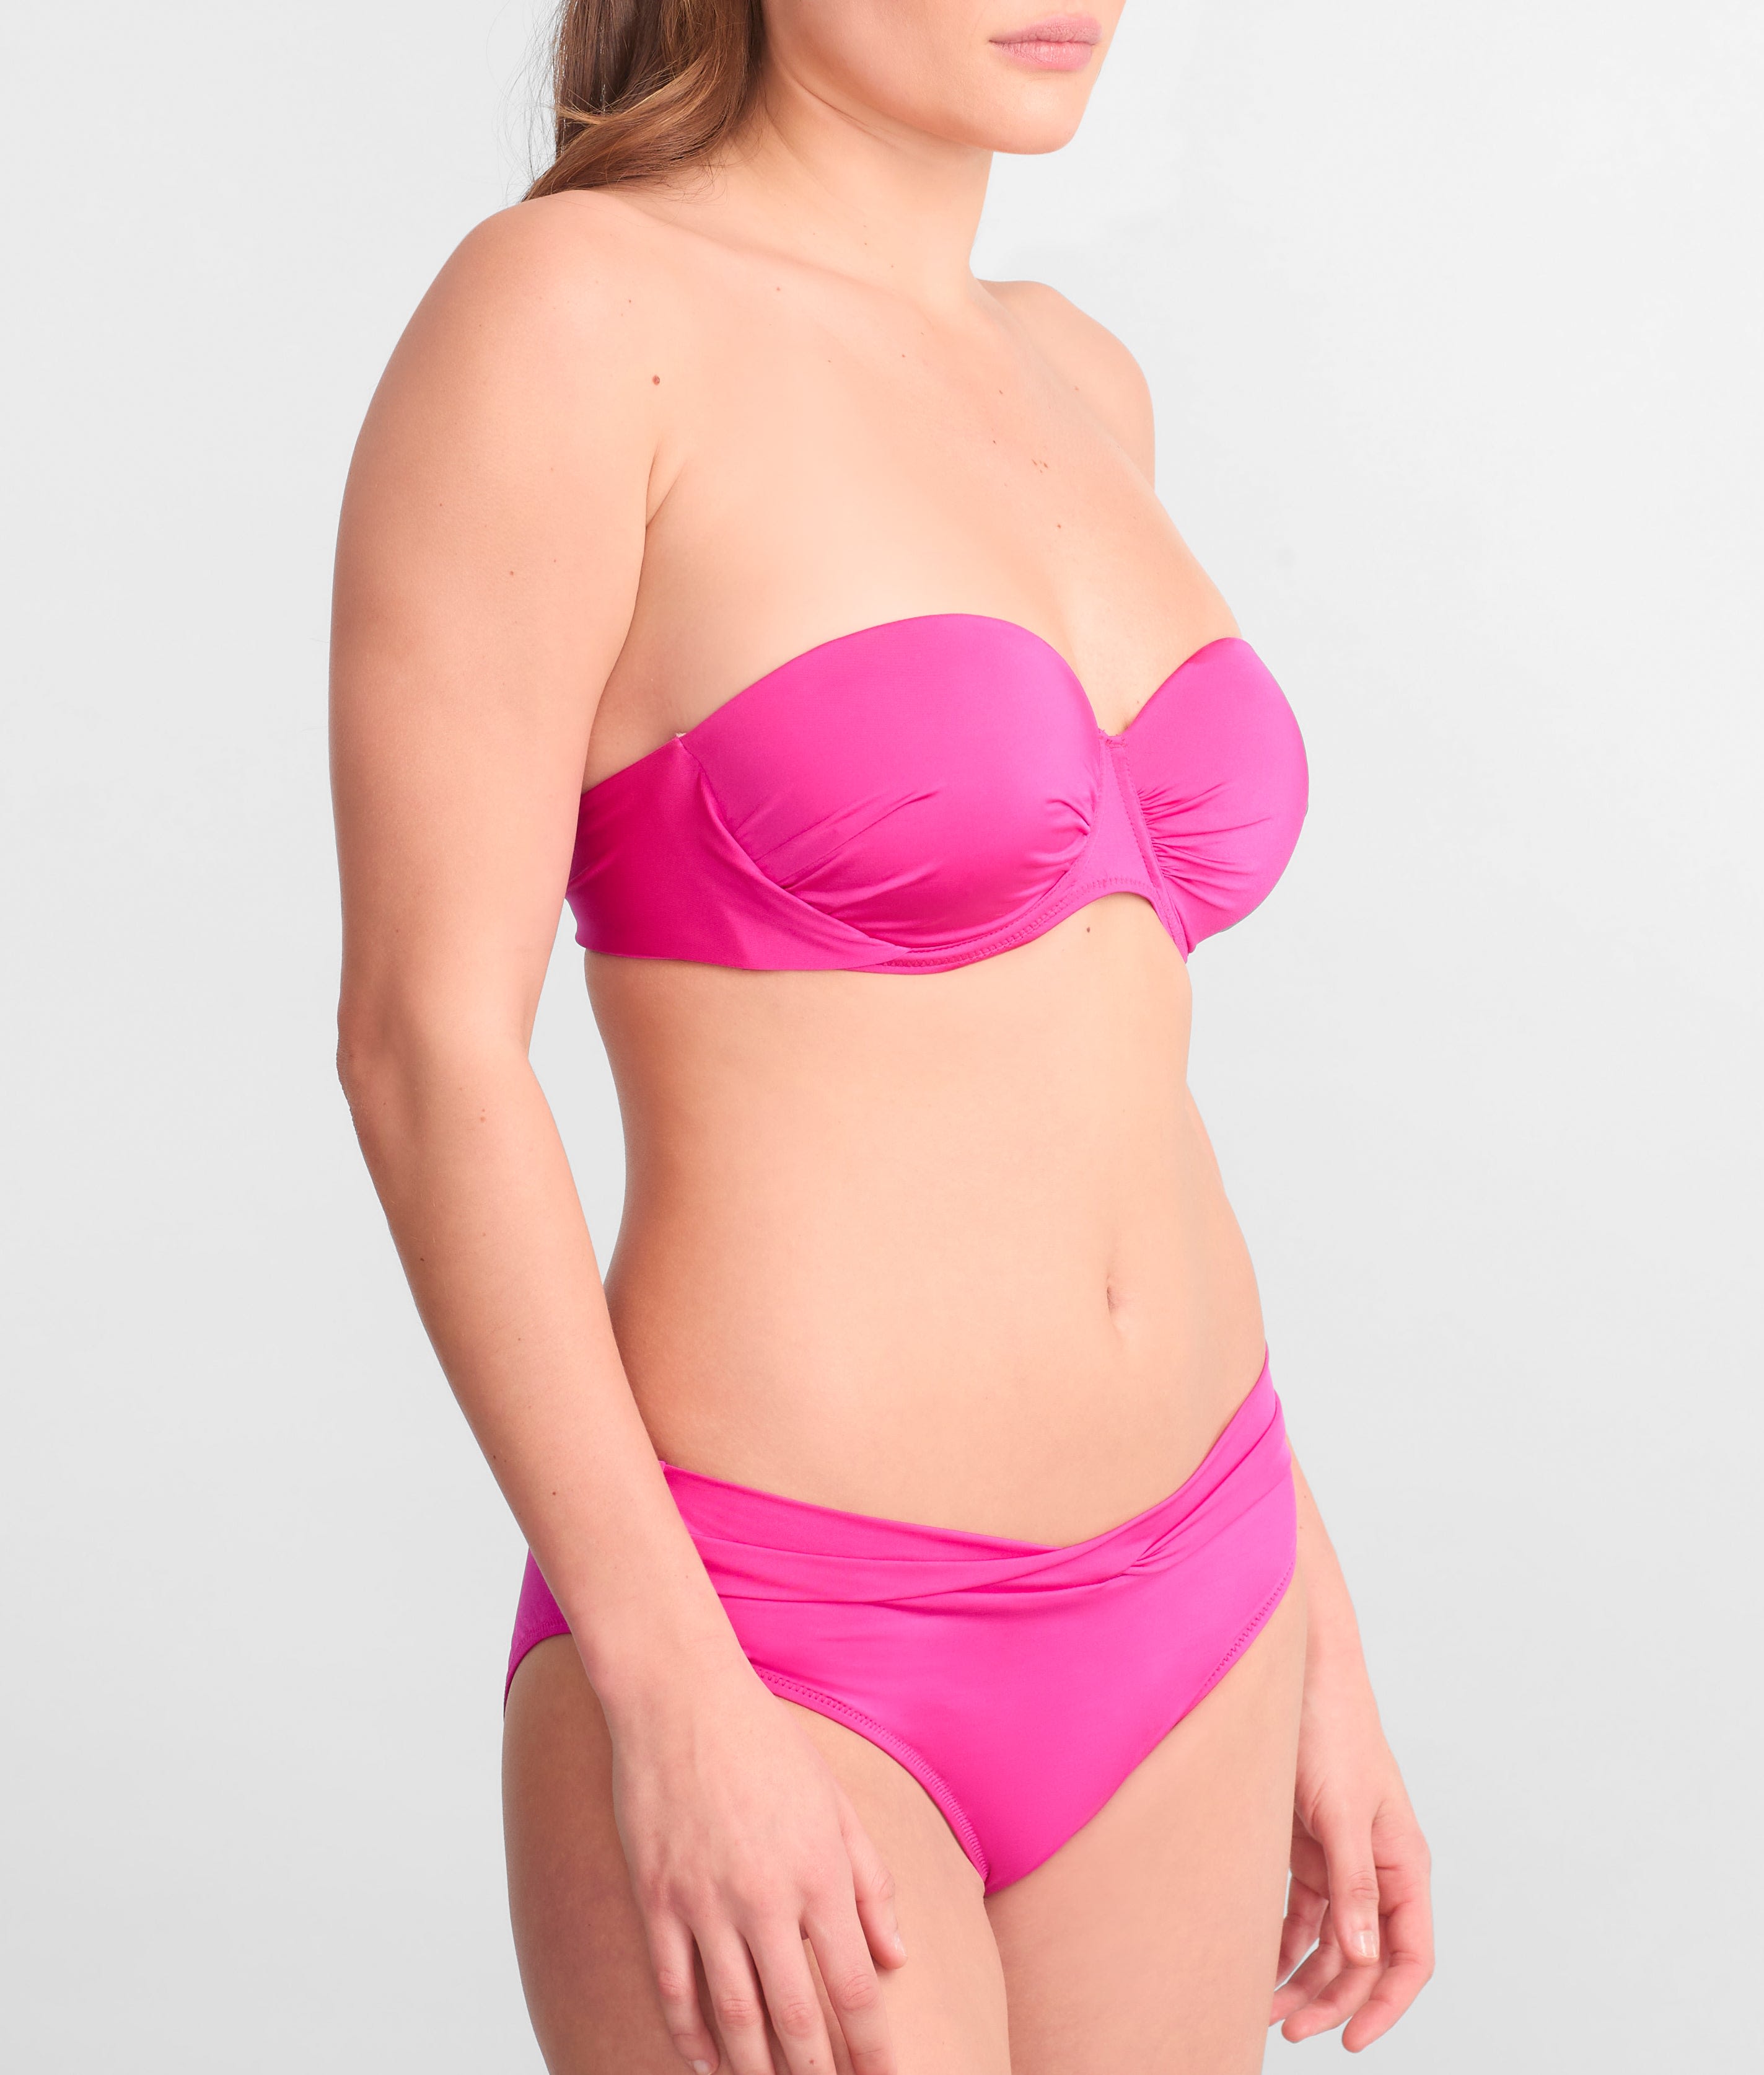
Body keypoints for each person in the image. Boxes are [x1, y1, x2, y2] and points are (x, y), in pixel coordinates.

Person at [330, 4, 1433, 2069]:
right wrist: (673, 1694)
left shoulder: (1078, 373)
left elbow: (1116, 1070)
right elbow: (425, 1048)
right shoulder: (573, 317)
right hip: (784, 1634)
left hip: (1203, 1586)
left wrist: (1315, 1608)